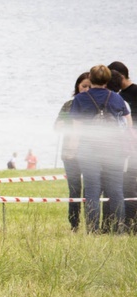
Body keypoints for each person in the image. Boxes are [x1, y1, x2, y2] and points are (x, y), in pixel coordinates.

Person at [69, 64, 130, 234]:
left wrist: (73, 150)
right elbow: (128, 125)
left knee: (92, 191)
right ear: (107, 80)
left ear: (92, 79)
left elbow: (76, 130)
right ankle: (118, 230)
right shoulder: (117, 99)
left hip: (89, 150)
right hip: (114, 150)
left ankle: (93, 230)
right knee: (116, 191)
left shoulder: (80, 100)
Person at [54, 72, 91, 231]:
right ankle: (74, 223)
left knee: (91, 188)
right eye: (84, 86)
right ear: (77, 86)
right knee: (74, 188)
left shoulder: (95, 105)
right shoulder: (68, 105)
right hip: (69, 153)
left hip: (90, 153)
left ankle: (92, 222)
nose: (86, 89)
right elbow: (56, 126)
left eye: (90, 86)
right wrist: (62, 125)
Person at [107, 61, 137, 231]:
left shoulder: (133, 92)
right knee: (121, 185)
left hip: (131, 146)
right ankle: (121, 222)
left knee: (130, 186)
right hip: (122, 146)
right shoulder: (117, 95)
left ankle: (132, 223)